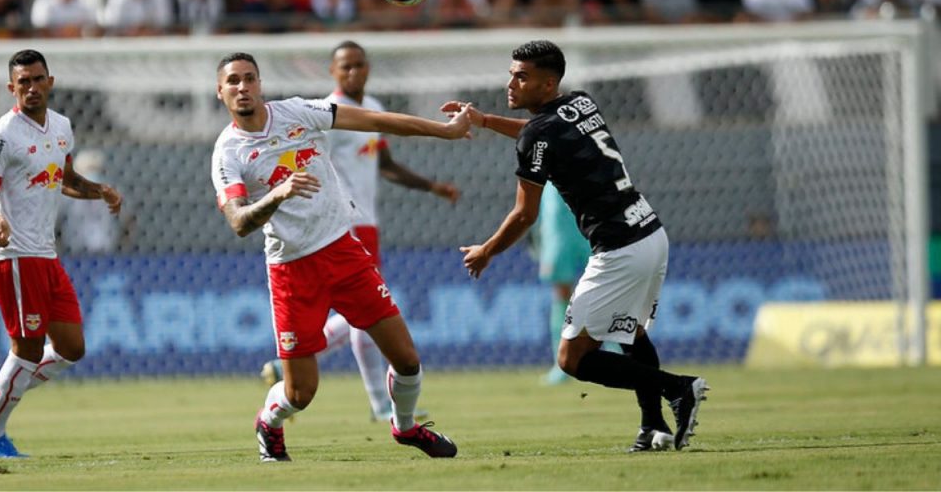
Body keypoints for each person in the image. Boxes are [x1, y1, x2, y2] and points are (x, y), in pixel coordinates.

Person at [442, 40, 708, 452]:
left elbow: (524, 215)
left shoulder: (539, 135)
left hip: (620, 249)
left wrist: (487, 250)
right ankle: (652, 426)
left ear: (547, 85)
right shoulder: (580, 103)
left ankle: (678, 388)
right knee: (631, 334)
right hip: (650, 232)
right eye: (511, 73)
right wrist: (485, 120)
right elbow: (540, 135)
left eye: (521, 76)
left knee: (573, 359)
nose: (510, 82)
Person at [210, 51, 467, 462]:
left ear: (260, 84)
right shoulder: (228, 153)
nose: (243, 87)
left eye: (249, 78)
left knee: (407, 359)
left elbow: (376, 122)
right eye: (233, 82)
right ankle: (269, 422)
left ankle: (405, 428)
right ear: (220, 92)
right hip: (292, 270)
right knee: (300, 393)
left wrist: (445, 131)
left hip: (342, 250)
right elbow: (238, 221)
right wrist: (277, 194)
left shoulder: (297, 112)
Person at [260, 40, 460, 422]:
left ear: (368, 69)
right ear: (332, 72)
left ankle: (300, 361)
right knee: (369, 315)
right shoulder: (324, 115)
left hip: (367, 222)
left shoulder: (375, 109)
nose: (353, 72)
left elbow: (385, 164)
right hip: (339, 223)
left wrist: (432, 186)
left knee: (367, 313)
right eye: (345, 67)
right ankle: (380, 404)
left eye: (359, 65)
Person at [0, 49, 123, 458]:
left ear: (50, 81)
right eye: (23, 82)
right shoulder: (2, 134)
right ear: (11, 88)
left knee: (72, 348)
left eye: (38, 79)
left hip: (46, 255)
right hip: (14, 255)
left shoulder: (62, 127)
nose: (32, 88)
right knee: (28, 350)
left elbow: (64, 179)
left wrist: (98, 191)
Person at [532, 182, 590, 386]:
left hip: (591, 222)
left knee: (606, 288)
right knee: (561, 292)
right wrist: (536, 231)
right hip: (558, 230)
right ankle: (563, 364)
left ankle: (617, 353)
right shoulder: (540, 159)